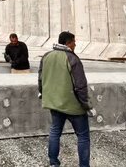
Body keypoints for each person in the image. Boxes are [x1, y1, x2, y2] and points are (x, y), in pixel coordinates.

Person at [38, 31, 92, 167]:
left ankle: (53, 163)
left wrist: (42, 93)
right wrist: (86, 104)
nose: (75, 44)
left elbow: (40, 79)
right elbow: (80, 85)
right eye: (74, 41)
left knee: (55, 132)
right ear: (68, 43)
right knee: (83, 136)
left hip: (54, 103)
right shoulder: (72, 58)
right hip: (73, 106)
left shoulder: (46, 56)